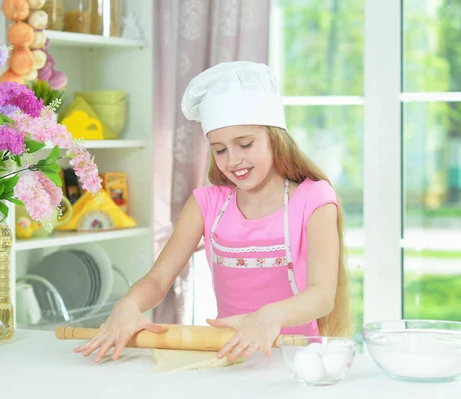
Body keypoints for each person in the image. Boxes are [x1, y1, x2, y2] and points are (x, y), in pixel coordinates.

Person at [74, 61, 350, 363]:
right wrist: (127, 305)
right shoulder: (207, 204)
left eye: (244, 144)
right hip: (232, 359)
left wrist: (269, 317)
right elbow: (158, 280)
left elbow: (322, 294)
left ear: (275, 137)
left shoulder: (314, 197)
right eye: (219, 149)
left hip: (297, 360)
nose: (233, 161)